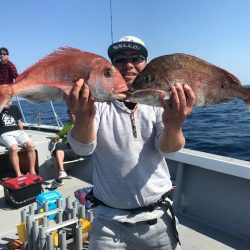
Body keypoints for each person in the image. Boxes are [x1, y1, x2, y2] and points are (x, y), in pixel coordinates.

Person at [67, 36, 195, 249]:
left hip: (159, 217)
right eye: (118, 60)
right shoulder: (97, 102)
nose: (128, 65)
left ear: (146, 64)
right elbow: (83, 148)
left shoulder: (158, 100)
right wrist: (83, 118)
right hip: (108, 222)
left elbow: (168, 148)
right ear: (110, 68)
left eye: (136, 58)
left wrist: (174, 125)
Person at [0, 99, 36, 177]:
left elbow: (19, 122)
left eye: (9, 100)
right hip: (5, 133)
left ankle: (32, 170)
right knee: (14, 148)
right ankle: (18, 173)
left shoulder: (15, 108)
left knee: (30, 146)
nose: (8, 102)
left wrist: (24, 133)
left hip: (18, 132)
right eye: (6, 100)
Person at [47, 109, 81, 189]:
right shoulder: (68, 125)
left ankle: (59, 178)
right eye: (70, 113)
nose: (72, 115)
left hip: (78, 149)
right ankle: (61, 174)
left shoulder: (82, 125)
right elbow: (60, 134)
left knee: (57, 153)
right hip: (68, 146)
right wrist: (55, 136)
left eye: (74, 113)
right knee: (58, 145)